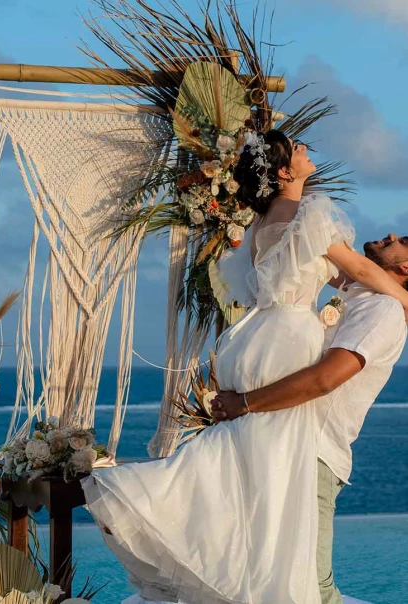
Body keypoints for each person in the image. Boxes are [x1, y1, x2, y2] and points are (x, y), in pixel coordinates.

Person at [82, 130, 408, 603]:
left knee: (249, 450)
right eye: (297, 150)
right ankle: (262, 567)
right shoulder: (310, 214)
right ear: (282, 173)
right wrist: (403, 297)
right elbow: (355, 271)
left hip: (253, 335)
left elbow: (329, 273)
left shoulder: (260, 225)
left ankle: (226, 544)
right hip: (286, 335)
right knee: (272, 451)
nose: (305, 152)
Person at [210, 232, 408, 603]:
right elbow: (318, 252)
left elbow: (325, 378)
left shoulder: (383, 311)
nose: (392, 234)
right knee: (263, 574)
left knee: (312, 585)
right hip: (285, 444)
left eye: (405, 240)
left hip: (313, 455)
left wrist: (245, 403)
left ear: (405, 266)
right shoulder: (361, 295)